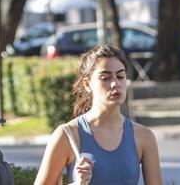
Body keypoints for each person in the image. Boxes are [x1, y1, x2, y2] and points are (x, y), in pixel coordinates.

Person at [31, 45, 163, 185]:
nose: (115, 83)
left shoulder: (144, 137)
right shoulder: (67, 135)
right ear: (88, 84)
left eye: (120, 76)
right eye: (105, 78)